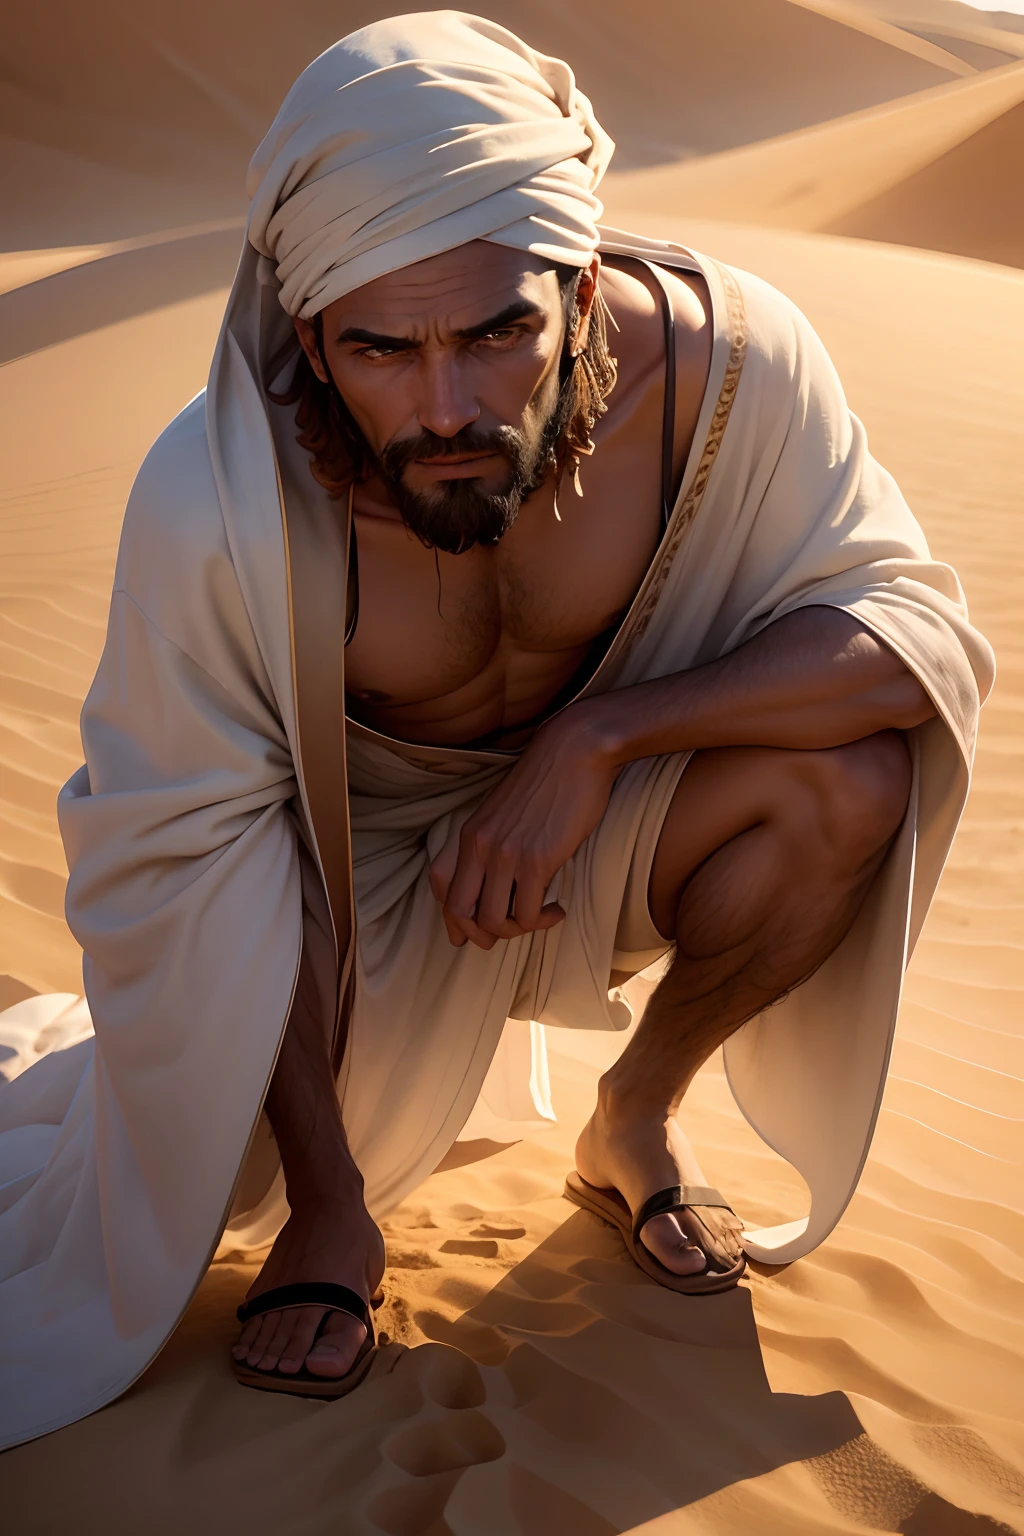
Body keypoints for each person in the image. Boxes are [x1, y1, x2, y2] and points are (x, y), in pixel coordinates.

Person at [0, 11, 993, 1441]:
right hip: (334, 895)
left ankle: (635, 1115)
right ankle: (333, 1210)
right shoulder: (220, 489)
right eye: (383, 350)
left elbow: (911, 635)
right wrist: (322, 1190)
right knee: (222, 860)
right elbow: (168, 838)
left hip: (595, 825)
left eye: (498, 332)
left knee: (851, 780)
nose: (447, 405)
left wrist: (599, 742)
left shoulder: (730, 373)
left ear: (580, 286)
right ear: (308, 331)